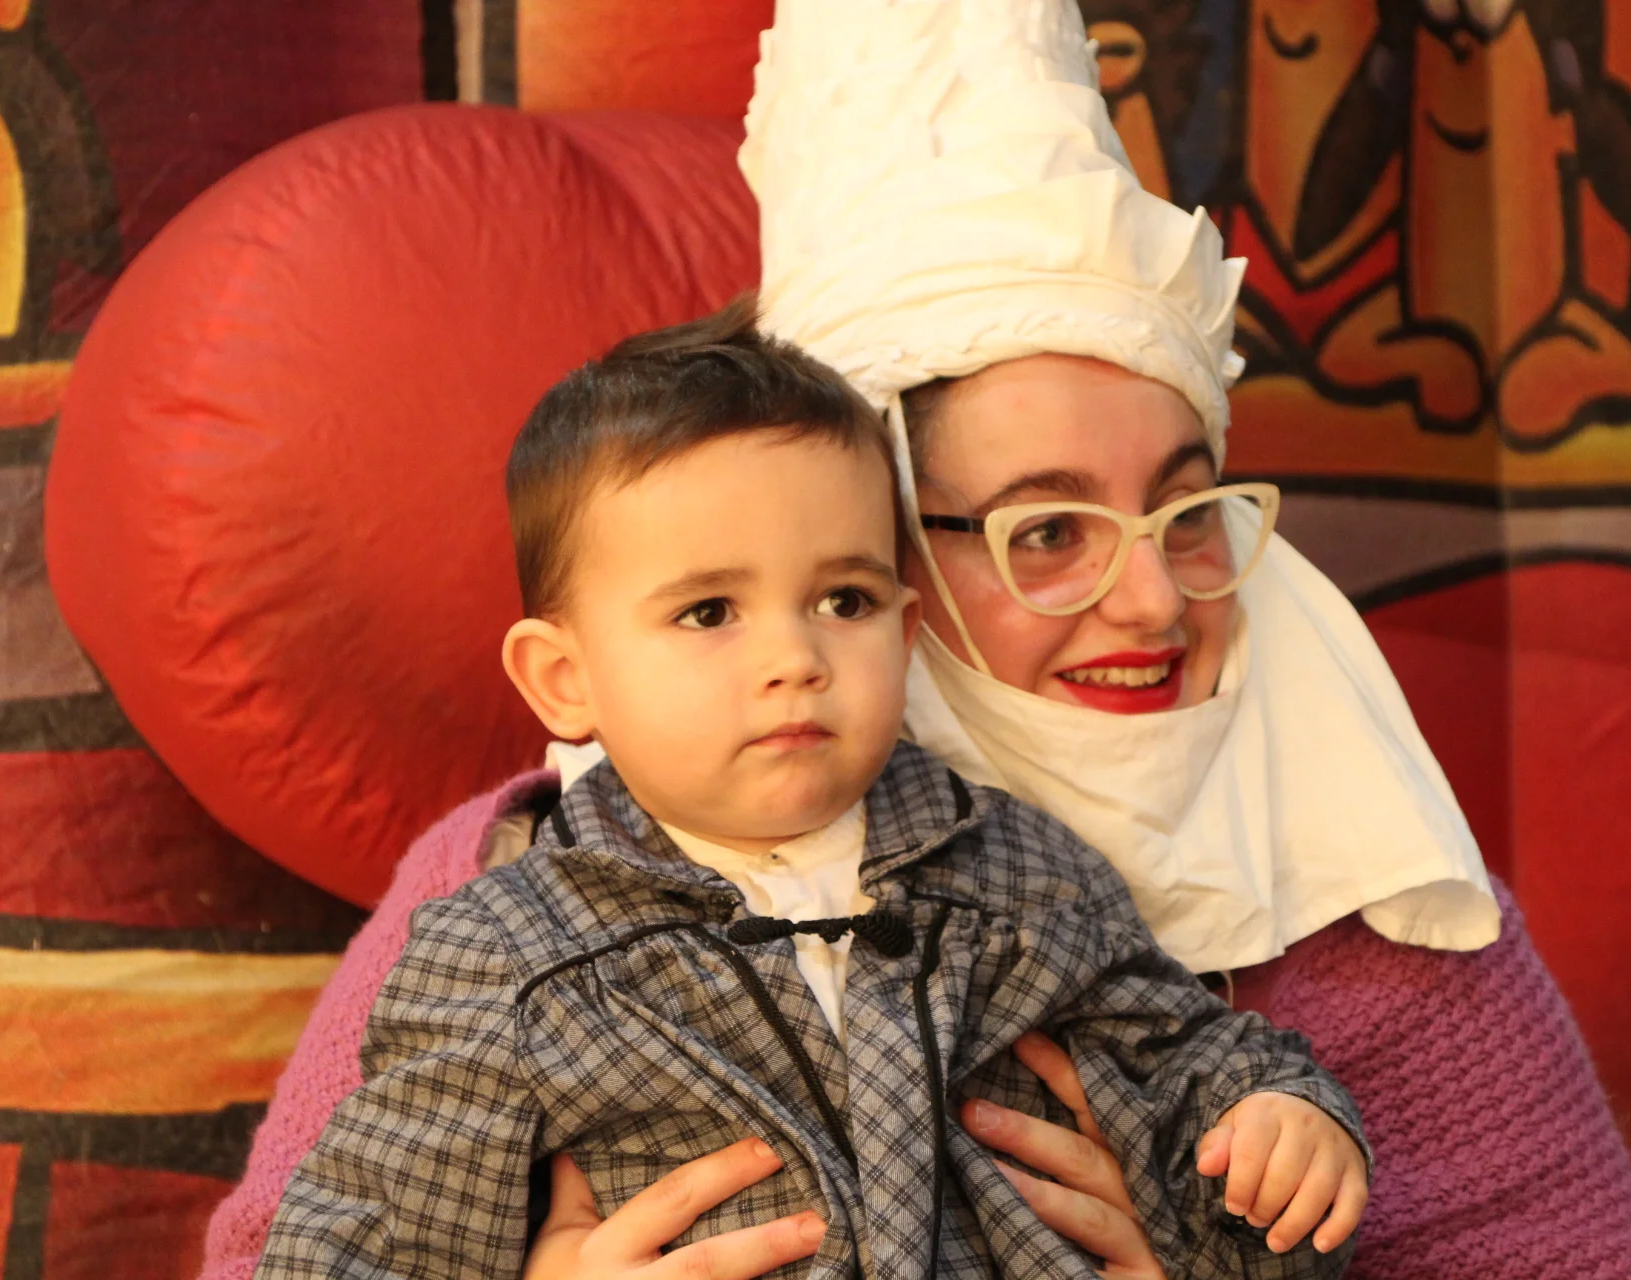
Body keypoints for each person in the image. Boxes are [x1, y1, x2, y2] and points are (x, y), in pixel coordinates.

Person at [200, 2, 1631, 1277]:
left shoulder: (1380, 915)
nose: (1155, 603)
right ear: (886, 549)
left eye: (1186, 512)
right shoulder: (510, 898)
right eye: (1047, 530)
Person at [253, 301, 1372, 1280]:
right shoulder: (509, 955)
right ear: (565, 678)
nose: (795, 657)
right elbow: (363, 1240)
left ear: (906, 629)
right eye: (709, 612)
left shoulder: (1020, 874)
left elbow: (1175, 1052)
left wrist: (1273, 1122)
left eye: (844, 600)